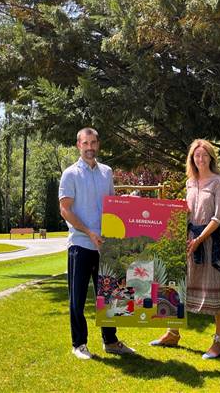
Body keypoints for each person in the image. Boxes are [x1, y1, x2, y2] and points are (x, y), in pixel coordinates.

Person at [59, 127, 136, 360]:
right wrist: (89, 232)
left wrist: (129, 204)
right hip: (80, 244)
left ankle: (110, 341)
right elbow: (65, 210)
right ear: (78, 145)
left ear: (98, 145)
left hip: (105, 246)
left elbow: (111, 206)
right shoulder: (70, 174)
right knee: (78, 298)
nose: (90, 147)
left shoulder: (107, 172)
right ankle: (79, 344)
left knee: (110, 296)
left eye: (93, 143)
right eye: (85, 143)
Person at [150, 139, 220, 359]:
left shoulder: (218, 182)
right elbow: (188, 212)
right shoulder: (189, 182)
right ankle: (172, 333)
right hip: (188, 242)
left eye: (204, 155)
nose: (200, 159)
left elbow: (218, 217)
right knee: (178, 287)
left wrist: (200, 239)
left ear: (211, 158)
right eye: (196, 155)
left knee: (217, 293)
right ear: (192, 159)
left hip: (211, 245)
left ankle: (219, 342)